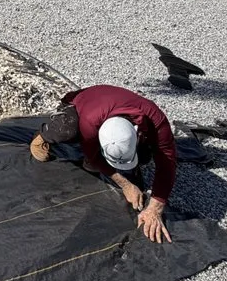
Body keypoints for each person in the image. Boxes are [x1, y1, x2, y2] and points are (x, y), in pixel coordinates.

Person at [30, 84, 176, 243]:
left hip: (111, 108)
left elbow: (167, 162)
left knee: (145, 156)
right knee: (66, 130)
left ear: (136, 133)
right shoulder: (89, 123)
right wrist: (126, 185)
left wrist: (155, 208)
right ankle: (43, 135)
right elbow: (93, 157)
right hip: (80, 104)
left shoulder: (155, 120)